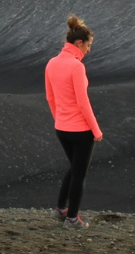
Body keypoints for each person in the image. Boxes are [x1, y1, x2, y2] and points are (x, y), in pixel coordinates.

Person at [44, 14, 103, 229]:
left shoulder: (52, 63)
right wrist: (96, 131)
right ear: (79, 43)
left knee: (74, 167)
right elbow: (83, 103)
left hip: (62, 128)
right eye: (88, 45)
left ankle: (61, 208)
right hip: (80, 130)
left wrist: (59, 120)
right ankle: (72, 219)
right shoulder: (76, 67)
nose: (89, 50)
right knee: (79, 173)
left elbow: (50, 97)